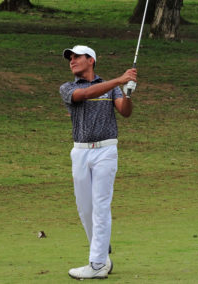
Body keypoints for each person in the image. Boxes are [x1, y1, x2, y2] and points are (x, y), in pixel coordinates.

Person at [59, 45, 137, 279]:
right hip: (81, 151)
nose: (72, 60)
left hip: (106, 150)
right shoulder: (68, 87)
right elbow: (83, 95)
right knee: (85, 209)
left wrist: (128, 92)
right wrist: (119, 80)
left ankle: (97, 264)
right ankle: (102, 254)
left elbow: (125, 111)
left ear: (91, 60)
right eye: (70, 58)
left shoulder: (111, 88)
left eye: (77, 56)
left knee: (101, 206)